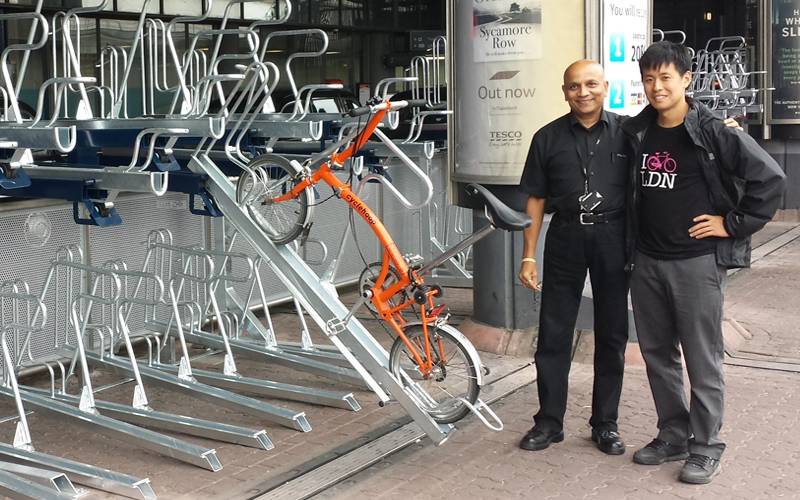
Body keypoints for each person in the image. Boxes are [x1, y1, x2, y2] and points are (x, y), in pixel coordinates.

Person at [621, 41, 786, 484]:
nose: (656, 87)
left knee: (702, 358)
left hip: (696, 264)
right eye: (649, 79)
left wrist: (732, 224)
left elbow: (770, 179)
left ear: (687, 80)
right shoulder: (636, 131)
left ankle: (706, 445)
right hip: (648, 260)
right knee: (657, 354)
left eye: (665, 78)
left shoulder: (713, 131)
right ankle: (673, 434)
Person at [517, 60, 630, 455]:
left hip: (614, 237)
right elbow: (535, 198)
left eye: (591, 84)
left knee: (612, 333)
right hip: (565, 234)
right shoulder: (546, 138)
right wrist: (529, 255)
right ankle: (549, 422)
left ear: (606, 87)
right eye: (574, 86)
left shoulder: (629, 133)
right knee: (553, 333)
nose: (583, 92)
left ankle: (605, 424)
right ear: (564, 91)